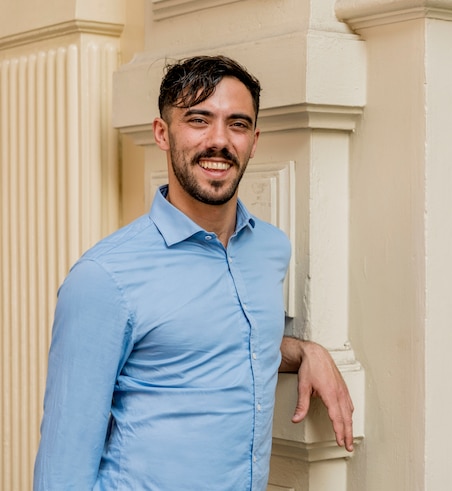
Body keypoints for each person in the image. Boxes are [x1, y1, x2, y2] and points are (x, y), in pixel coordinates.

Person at [34, 55, 354, 490]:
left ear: (254, 140)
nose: (219, 140)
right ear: (162, 133)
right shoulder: (104, 277)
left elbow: (220, 347)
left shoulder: (270, 249)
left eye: (237, 124)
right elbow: (62, 470)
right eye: (199, 120)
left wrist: (305, 352)